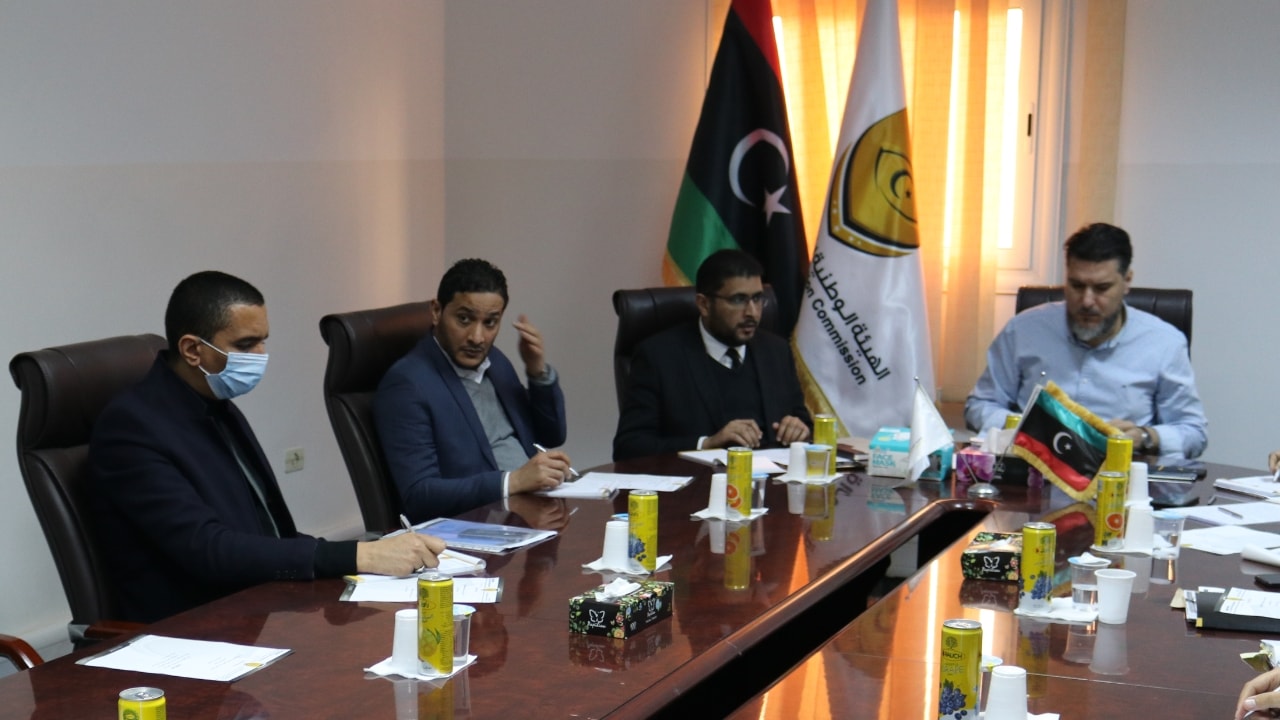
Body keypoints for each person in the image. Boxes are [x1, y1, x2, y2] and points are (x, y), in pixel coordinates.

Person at [89, 271, 444, 624]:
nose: (260, 356)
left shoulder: (215, 406)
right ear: (193, 350)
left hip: (256, 607)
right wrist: (358, 556)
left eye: (262, 342)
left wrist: (363, 555)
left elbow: (271, 533)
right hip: (190, 629)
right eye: (246, 345)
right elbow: (207, 549)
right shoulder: (131, 428)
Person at [964, 223, 1208, 459]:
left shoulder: (1164, 342)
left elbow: (1193, 432)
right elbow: (980, 405)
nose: (1087, 301)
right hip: (1035, 466)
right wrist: (1028, 427)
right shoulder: (1023, 330)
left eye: (1102, 288)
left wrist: (1145, 436)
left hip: (1120, 472)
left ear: (1126, 281)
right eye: (1077, 286)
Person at [375, 258, 570, 522]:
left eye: (490, 323)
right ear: (436, 311)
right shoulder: (407, 384)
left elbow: (551, 435)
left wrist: (537, 372)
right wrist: (513, 481)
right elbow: (419, 495)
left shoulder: (496, 362)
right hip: (474, 527)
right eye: (464, 319)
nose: (477, 338)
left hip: (529, 512)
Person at [613, 249, 811, 461]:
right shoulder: (659, 357)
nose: (752, 312)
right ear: (704, 304)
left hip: (774, 477)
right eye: (738, 300)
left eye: (757, 298)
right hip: (702, 479)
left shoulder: (776, 350)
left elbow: (803, 422)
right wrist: (706, 444)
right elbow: (629, 447)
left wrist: (799, 429)